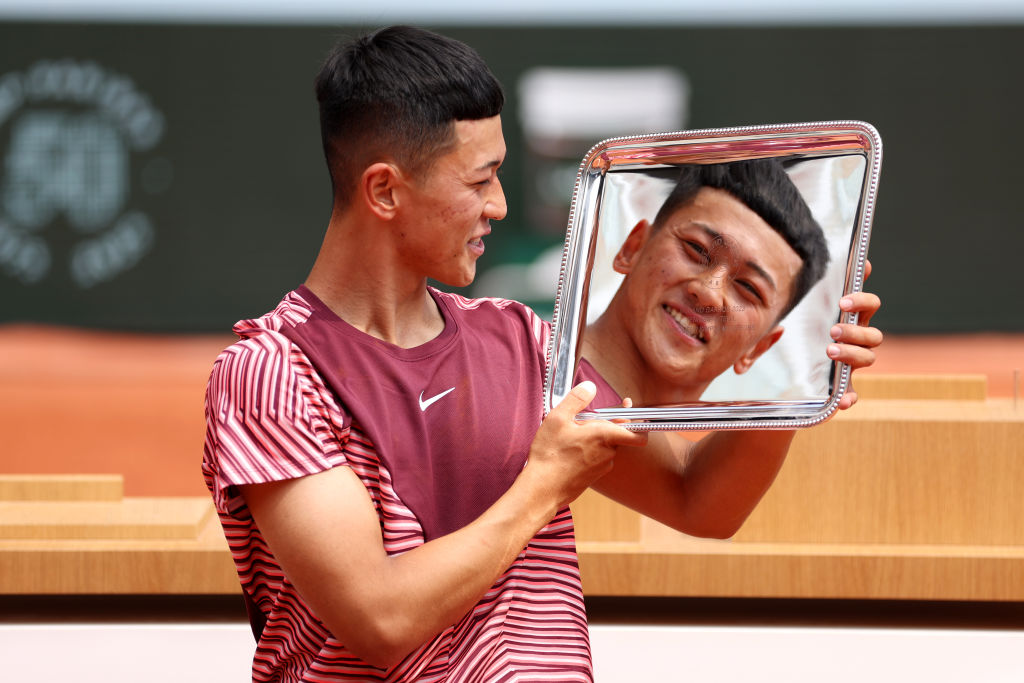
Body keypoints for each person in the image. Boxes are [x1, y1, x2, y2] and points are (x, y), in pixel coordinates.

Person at [202, 26, 882, 682]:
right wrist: (542, 484)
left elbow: (697, 501)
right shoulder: (270, 374)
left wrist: (797, 383)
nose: (499, 204)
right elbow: (380, 618)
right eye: (480, 180)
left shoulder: (521, 342)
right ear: (385, 190)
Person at [582, 158, 836, 407]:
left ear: (758, 348)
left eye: (748, 288)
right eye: (696, 249)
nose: (708, 293)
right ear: (633, 248)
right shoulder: (541, 361)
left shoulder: (719, 448)